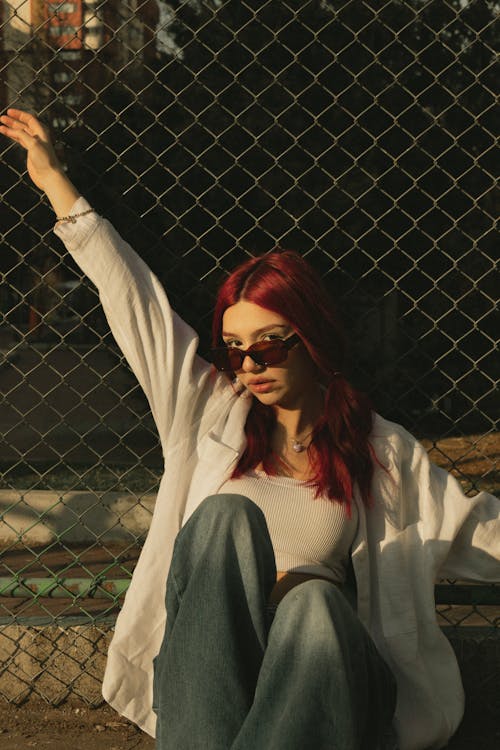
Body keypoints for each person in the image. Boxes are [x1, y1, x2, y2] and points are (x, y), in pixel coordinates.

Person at [1, 109, 498, 750]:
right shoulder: (208, 413)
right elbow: (136, 304)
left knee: (317, 610)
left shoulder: (381, 450)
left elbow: (478, 532)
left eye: (270, 344)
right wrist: (58, 188)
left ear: (312, 338)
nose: (250, 365)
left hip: (328, 685)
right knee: (225, 517)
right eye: (235, 349)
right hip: (213, 688)